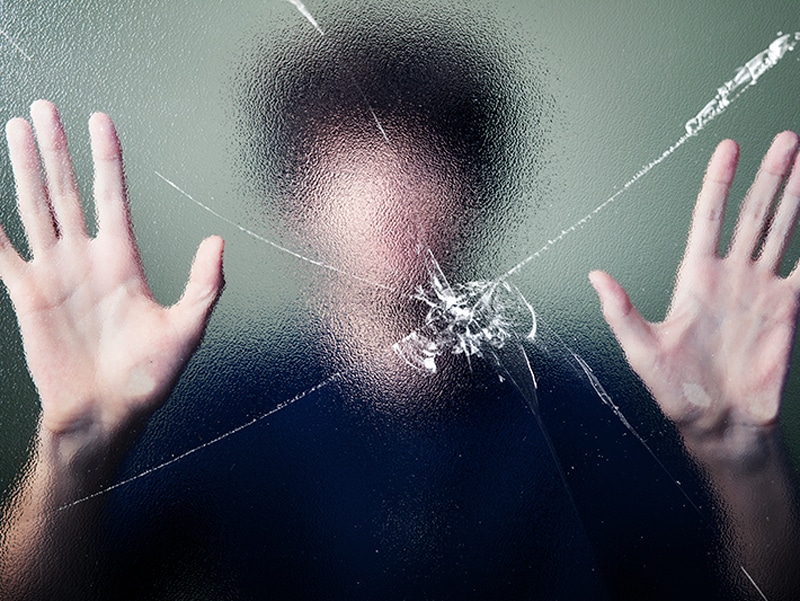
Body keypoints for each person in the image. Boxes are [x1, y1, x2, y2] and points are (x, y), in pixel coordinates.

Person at [0, 100, 798, 599]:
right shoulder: (227, 409)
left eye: (427, 153)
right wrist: (76, 444)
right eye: (351, 154)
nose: (395, 184)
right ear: (295, 199)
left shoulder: (594, 399)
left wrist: (740, 455)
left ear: (476, 188)